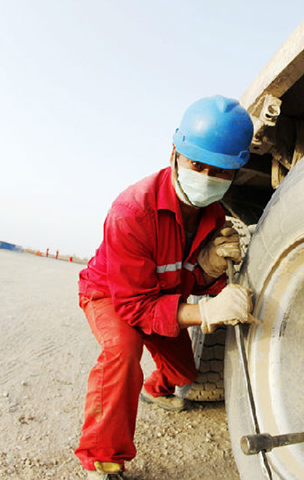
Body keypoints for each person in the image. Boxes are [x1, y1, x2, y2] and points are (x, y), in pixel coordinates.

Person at [75, 95, 259, 479]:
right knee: (123, 352)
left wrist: (209, 271)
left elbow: (184, 280)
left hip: (160, 297)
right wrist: (207, 311)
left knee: (185, 373)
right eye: (197, 165)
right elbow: (134, 307)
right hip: (111, 295)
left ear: (235, 172)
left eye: (220, 171)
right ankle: (103, 460)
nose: (207, 177)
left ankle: (156, 389)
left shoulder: (214, 216)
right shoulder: (131, 211)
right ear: (175, 153)